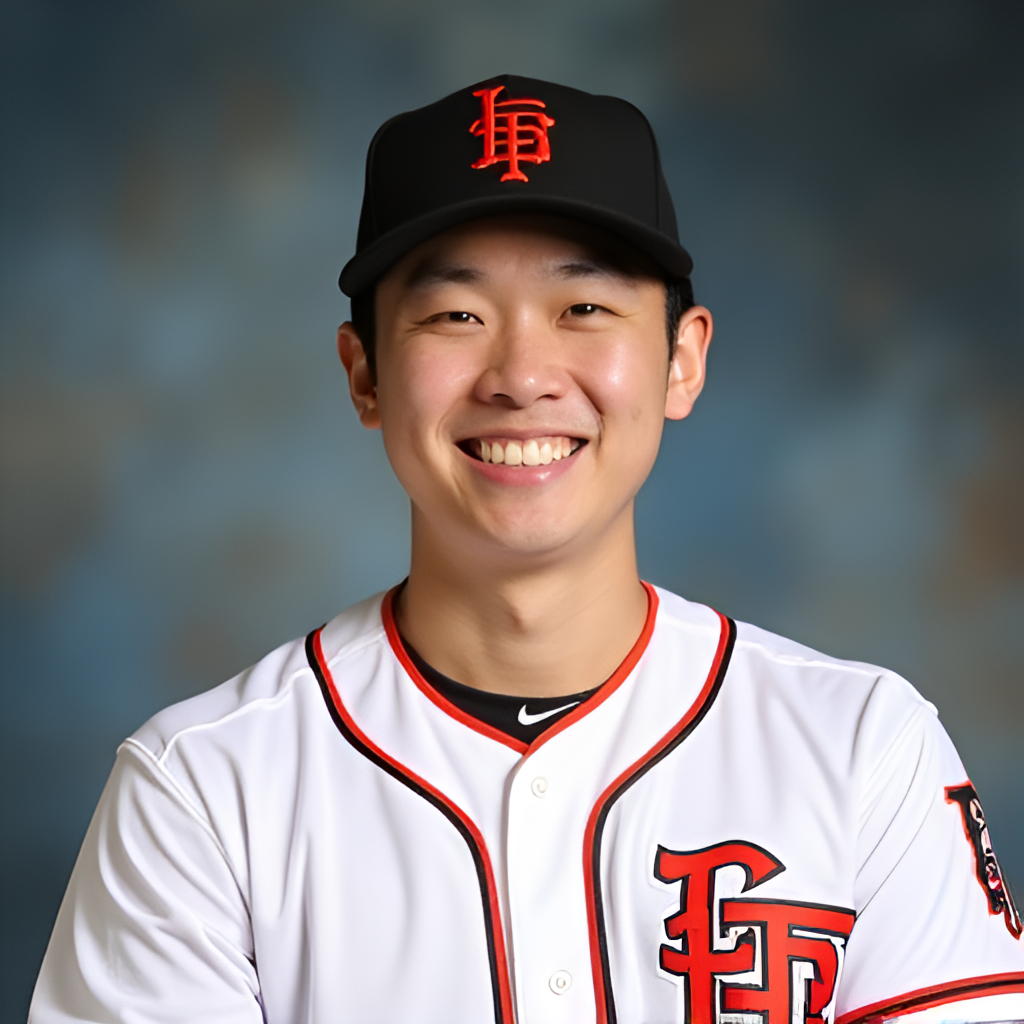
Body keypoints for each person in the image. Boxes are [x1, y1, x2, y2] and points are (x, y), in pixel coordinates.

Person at [30, 74, 1023, 1024]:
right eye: (455, 314)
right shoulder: (204, 791)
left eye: (583, 307)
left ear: (683, 360)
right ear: (364, 373)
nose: (521, 375)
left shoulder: (863, 751)